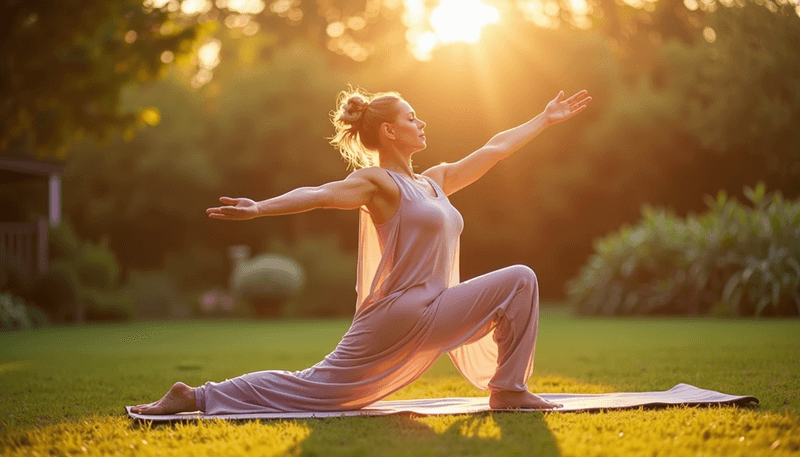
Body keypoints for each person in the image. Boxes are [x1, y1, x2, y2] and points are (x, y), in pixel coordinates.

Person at [131, 87, 591, 415]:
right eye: (413, 117)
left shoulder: (434, 182)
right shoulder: (378, 183)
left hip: (433, 306)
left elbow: (495, 149)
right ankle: (194, 396)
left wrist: (544, 119)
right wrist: (259, 209)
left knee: (316, 386)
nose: (422, 122)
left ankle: (508, 389)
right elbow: (320, 193)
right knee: (315, 387)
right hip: (400, 312)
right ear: (389, 131)